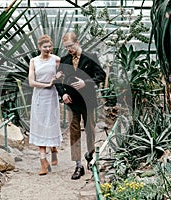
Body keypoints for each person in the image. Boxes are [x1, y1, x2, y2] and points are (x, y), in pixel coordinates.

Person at [55, 32, 106, 180]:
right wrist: (63, 94)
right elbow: (56, 80)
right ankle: (78, 165)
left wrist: (86, 83)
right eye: (66, 47)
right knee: (74, 133)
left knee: (90, 129)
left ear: (77, 43)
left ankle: (91, 157)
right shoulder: (64, 60)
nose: (69, 49)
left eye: (71, 46)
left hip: (88, 101)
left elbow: (101, 75)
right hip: (72, 102)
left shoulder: (91, 57)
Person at [28, 34, 63, 175]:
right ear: (39, 47)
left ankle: (54, 149)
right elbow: (31, 82)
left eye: (49, 46)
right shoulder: (33, 61)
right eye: (45, 47)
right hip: (39, 96)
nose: (48, 49)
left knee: (52, 123)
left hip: (52, 97)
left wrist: (58, 78)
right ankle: (43, 162)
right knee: (40, 126)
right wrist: (46, 84)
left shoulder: (56, 60)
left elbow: (62, 75)